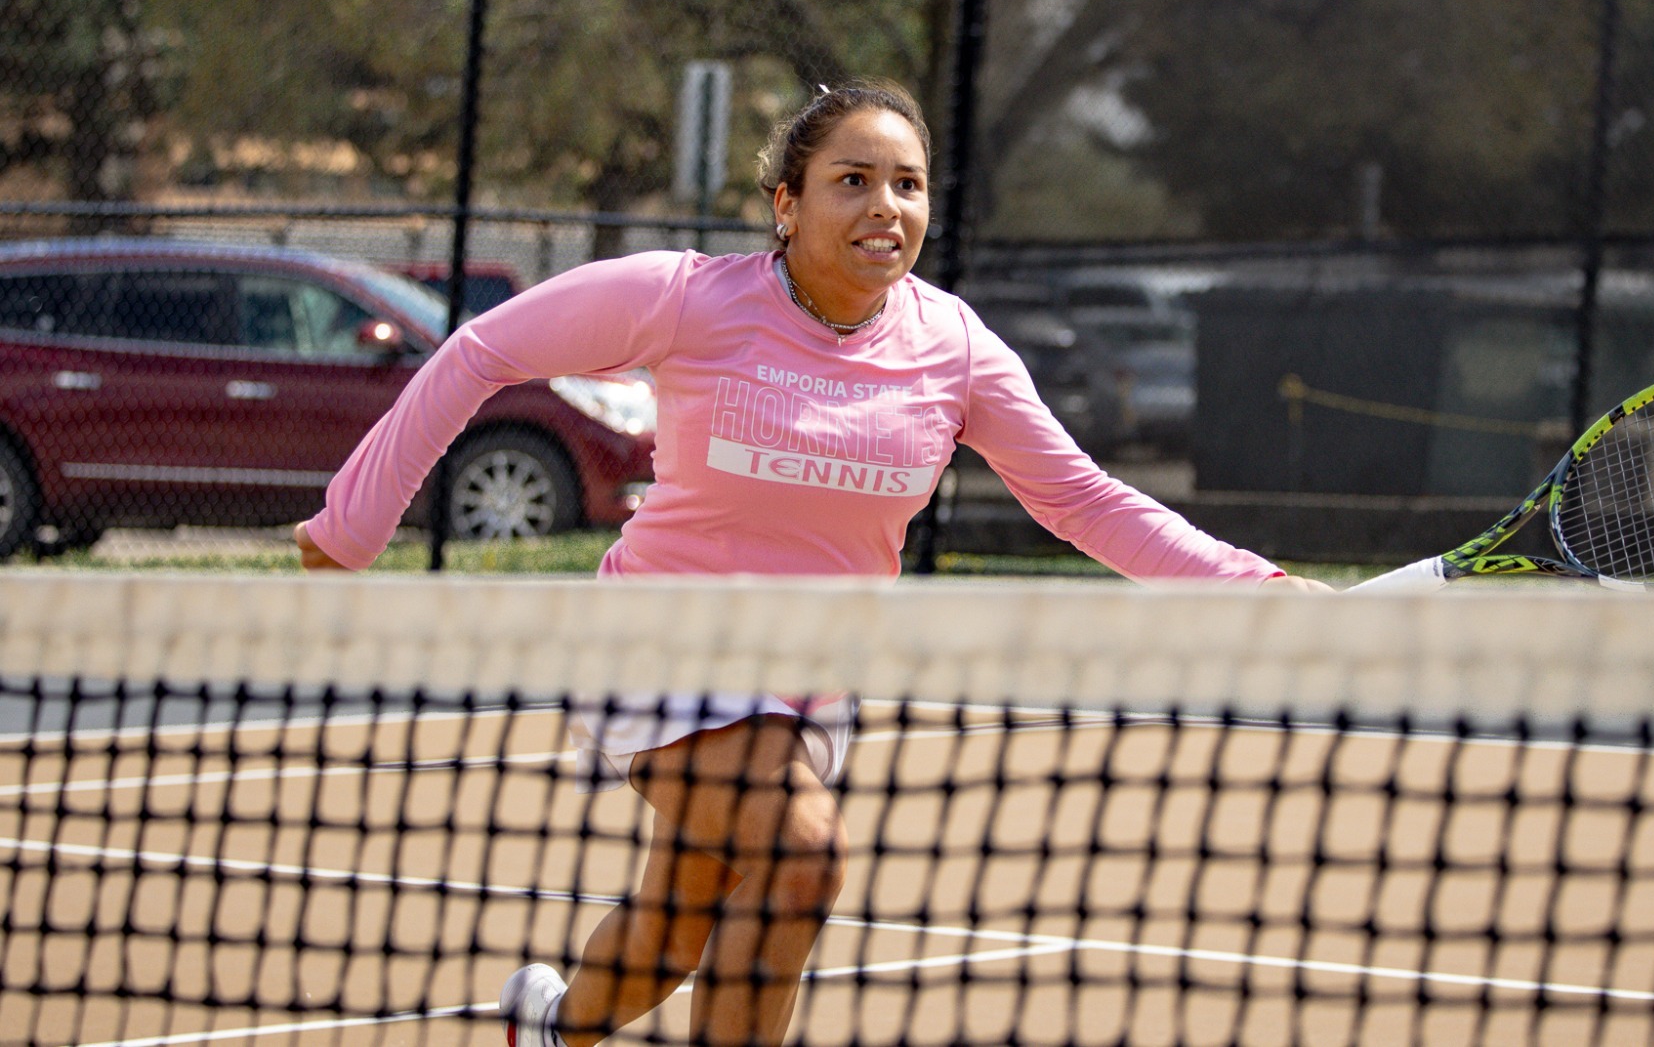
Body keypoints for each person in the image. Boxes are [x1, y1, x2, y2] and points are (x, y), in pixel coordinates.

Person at [295, 79, 1329, 1047]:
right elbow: (481, 350)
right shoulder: (686, 298)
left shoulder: (953, 348)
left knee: (671, 935)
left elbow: (1079, 498)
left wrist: (1255, 588)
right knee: (802, 859)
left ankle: (549, 1023)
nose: (886, 204)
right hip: (653, 651)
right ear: (784, 205)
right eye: (853, 179)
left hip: (801, 687)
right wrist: (351, 527)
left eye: (908, 183)